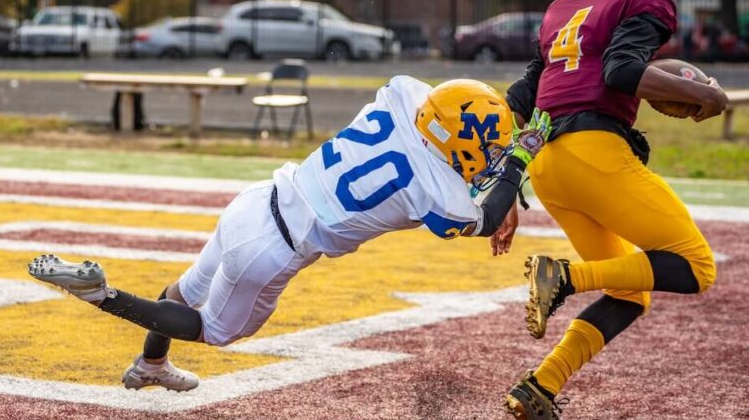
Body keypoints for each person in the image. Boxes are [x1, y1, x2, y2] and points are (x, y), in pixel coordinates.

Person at [29, 76, 551, 391]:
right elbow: (482, 214)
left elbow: (444, 119)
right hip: (275, 249)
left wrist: (497, 157)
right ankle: (101, 293)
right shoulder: (436, 194)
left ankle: (151, 364)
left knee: (186, 289)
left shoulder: (399, 101)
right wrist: (519, 159)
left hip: (259, 199)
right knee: (215, 329)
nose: (491, 159)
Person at [501, 0, 729, 420]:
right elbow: (622, 73)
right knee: (696, 266)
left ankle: (541, 386)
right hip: (593, 153)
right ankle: (565, 277)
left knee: (630, 291)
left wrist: (509, 182)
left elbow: (520, 95)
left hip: (547, 162)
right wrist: (707, 97)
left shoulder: (563, 8)